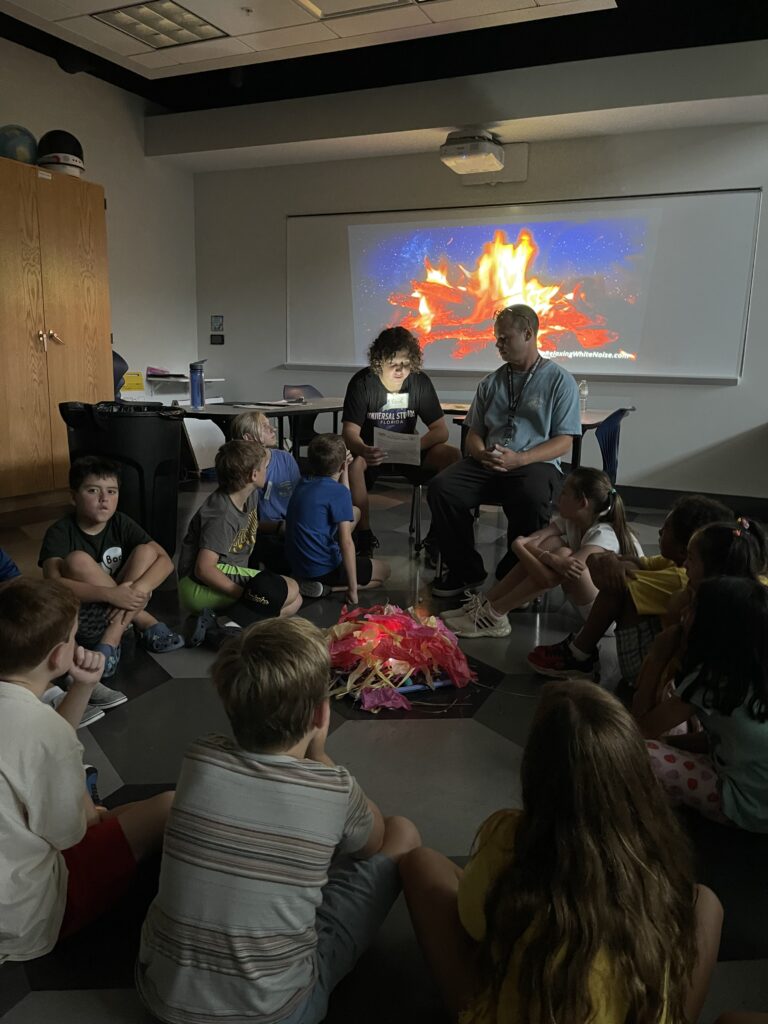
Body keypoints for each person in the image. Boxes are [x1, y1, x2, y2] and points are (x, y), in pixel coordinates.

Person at [137, 616, 421, 1024]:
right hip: (277, 1012)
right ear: (322, 716)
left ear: (226, 695)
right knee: (403, 834)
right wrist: (321, 756)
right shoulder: (334, 789)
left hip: (162, 998)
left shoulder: (200, 758)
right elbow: (375, 842)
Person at [400, 680, 723, 1024]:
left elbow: (473, 921)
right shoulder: (658, 851)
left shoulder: (508, 835)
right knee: (708, 905)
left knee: (422, 865)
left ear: (534, 773)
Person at [0, 578, 173, 963]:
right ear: (59, 656)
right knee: (167, 806)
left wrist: (82, 687)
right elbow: (70, 833)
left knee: (109, 814)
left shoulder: (32, 721)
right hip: (25, 919)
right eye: (76, 636)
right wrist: (85, 805)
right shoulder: (43, 733)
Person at [427, 304, 581, 598]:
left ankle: (517, 572)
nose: (498, 345)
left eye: (504, 338)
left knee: (531, 493)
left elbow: (564, 441)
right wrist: (480, 453)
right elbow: (473, 432)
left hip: (535, 462)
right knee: (442, 488)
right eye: (497, 338)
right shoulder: (491, 382)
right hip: (489, 461)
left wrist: (520, 459)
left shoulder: (560, 381)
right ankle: (465, 571)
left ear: (528, 334)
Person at [528, 493, 733, 683]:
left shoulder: (680, 577)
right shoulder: (677, 562)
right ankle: (580, 652)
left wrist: (613, 564)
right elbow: (623, 562)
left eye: (667, 528)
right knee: (625, 571)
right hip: (669, 653)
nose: (660, 531)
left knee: (617, 588)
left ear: (684, 548)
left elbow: (606, 580)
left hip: (653, 671)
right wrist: (613, 562)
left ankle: (578, 656)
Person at [39, 456, 184, 709]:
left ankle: (112, 639)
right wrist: (112, 595)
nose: (104, 499)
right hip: (83, 612)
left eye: (112, 491)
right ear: (74, 497)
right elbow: (54, 584)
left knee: (147, 552)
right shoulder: (61, 531)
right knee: (77, 561)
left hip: (118, 607)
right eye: (93, 490)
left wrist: (137, 589)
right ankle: (143, 619)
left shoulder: (121, 522)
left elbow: (166, 561)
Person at [443, 468, 642, 638]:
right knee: (555, 546)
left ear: (582, 502)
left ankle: (495, 614)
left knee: (564, 557)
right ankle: (486, 603)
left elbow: (549, 576)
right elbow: (533, 541)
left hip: (609, 619)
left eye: (564, 494)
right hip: (590, 600)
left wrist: (523, 548)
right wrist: (542, 555)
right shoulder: (572, 520)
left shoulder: (604, 534)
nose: (558, 498)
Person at [638, 576, 768, 832]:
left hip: (749, 805)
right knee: (674, 698)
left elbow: (637, 730)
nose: (684, 612)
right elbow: (721, 738)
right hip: (754, 784)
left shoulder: (710, 681)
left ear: (714, 627)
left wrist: (656, 659)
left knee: (639, 753)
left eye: (693, 607)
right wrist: (670, 744)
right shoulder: (752, 671)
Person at [632, 516, 767, 736]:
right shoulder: (749, 608)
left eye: (691, 558)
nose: (684, 563)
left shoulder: (711, 674)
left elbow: (639, 733)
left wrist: (657, 659)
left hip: (724, 755)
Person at [342, 325, 460, 560]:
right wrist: (364, 449)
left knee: (453, 456)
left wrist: (416, 445)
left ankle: (438, 535)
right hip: (372, 452)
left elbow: (440, 430)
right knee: (354, 466)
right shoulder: (363, 383)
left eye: (405, 364)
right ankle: (364, 535)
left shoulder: (419, 382)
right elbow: (349, 432)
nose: (399, 370)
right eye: (392, 363)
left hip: (409, 450)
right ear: (379, 361)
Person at [177, 439, 302, 645]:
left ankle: (227, 625)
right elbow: (204, 568)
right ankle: (230, 626)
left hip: (224, 574)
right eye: (264, 467)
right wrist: (247, 595)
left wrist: (278, 528)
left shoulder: (248, 495)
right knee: (291, 589)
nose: (266, 471)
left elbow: (244, 526)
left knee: (294, 601)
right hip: (196, 585)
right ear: (253, 475)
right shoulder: (221, 514)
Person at [285, 433, 390, 604]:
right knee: (384, 572)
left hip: (299, 565)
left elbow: (345, 503)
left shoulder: (303, 482)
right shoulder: (336, 492)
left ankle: (311, 582)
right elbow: (346, 543)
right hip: (323, 568)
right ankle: (328, 588)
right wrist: (352, 589)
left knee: (355, 512)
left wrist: (345, 469)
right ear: (341, 464)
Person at [229, 410, 301, 575]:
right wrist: (278, 527)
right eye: (265, 427)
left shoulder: (285, 459)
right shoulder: (241, 469)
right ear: (248, 438)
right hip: (261, 533)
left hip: (290, 526)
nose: (273, 429)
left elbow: (298, 499)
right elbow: (242, 525)